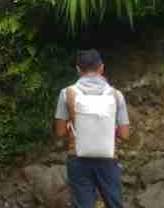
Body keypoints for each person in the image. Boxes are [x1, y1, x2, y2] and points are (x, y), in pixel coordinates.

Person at [54, 49, 131, 208]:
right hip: (108, 160)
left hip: (78, 159)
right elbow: (124, 135)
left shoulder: (66, 93)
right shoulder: (116, 95)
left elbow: (60, 132)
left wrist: (73, 126)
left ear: (78, 69)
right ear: (101, 68)